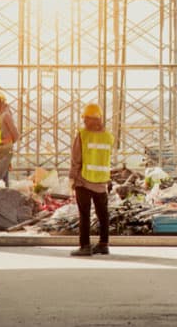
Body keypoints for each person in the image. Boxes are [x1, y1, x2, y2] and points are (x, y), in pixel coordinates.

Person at [69, 103, 114, 257]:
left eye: (85, 119)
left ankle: (85, 246)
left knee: (84, 214)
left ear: (87, 119)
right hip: (101, 182)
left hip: (84, 180)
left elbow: (76, 159)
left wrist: (72, 178)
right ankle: (103, 244)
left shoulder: (83, 135)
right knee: (103, 214)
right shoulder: (108, 136)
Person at [0, 90, 19, 188]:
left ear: (1, 102)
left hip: (5, 151)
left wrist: (9, 142)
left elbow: (16, 135)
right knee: (4, 181)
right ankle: (6, 199)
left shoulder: (6, 115)